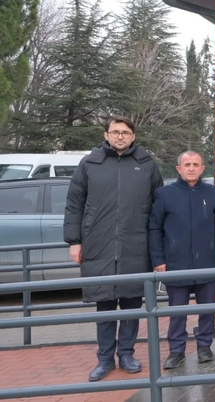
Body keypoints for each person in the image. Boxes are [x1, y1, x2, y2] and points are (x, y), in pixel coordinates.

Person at [64, 115, 163, 382]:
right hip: (99, 245)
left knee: (132, 304)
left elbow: (158, 208)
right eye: (115, 132)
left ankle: (127, 354)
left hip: (136, 245)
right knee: (105, 306)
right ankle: (105, 359)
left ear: (133, 136)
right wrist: (74, 241)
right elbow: (74, 204)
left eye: (125, 132)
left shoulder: (146, 164)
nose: (120, 136)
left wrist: (158, 247)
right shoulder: (90, 164)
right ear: (106, 135)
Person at [149, 151, 215, 369]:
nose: (191, 168)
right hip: (176, 262)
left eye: (195, 164)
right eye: (187, 164)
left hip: (207, 261)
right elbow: (154, 228)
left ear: (202, 169)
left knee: (207, 309)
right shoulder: (164, 194)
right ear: (178, 169)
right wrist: (158, 259)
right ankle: (176, 350)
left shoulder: (212, 193)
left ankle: (204, 346)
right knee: (177, 311)